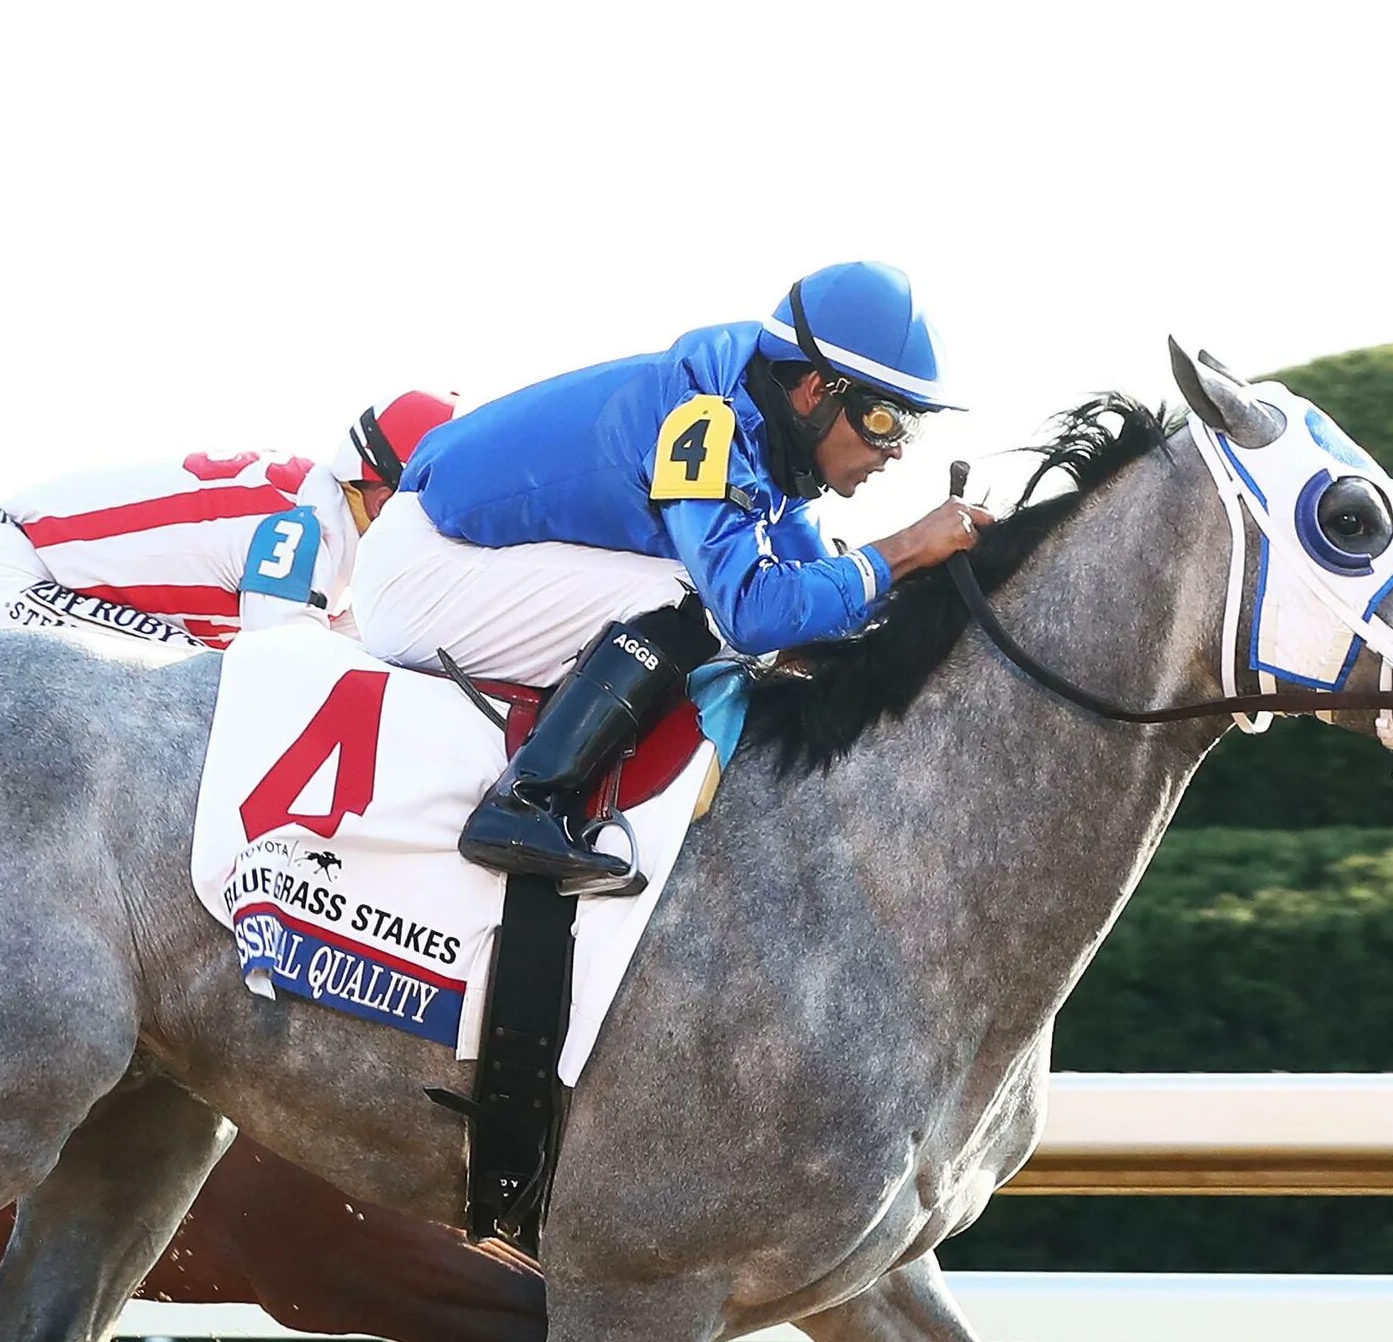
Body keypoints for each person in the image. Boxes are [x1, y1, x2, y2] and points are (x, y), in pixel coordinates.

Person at [349, 264, 992, 892]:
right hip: (422, 567)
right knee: (691, 600)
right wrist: (906, 548)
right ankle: (521, 803)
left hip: (462, 555)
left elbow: (812, 587)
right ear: (817, 391)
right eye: (887, 420)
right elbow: (751, 609)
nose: (898, 450)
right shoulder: (706, 419)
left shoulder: (769, 435)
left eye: (913, 426)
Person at [0, 393, 457, 658]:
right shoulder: (305, 526)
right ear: (385, 499)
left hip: (14, 567)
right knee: (197, 683)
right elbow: (284, 664)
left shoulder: (327, 535)